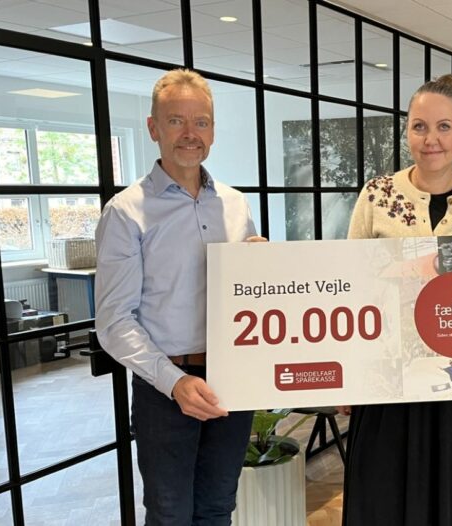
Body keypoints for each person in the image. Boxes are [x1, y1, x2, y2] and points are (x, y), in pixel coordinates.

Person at [339, 74, 452, 526]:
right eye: (419, 126)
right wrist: (349, 374)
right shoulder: (377, 195)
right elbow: (354, 284)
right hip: (387, 376)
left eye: (443, 127)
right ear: (407, 131)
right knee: (381, 494)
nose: (430, 139)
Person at [95, 69, 262, 525]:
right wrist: (174, 382)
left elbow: (248, 293)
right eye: (176, 121)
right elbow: (113, 321)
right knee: (170, 515)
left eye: (201, 122)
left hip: (232, 380)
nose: (191, 133)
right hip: (164, 388)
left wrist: (260, 265)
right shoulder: (125, 212)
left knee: (218, 507)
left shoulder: (235, 204)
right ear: (153, 128)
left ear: (213, 130)